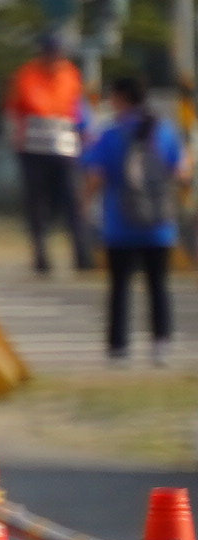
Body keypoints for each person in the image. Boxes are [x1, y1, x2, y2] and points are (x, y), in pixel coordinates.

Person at [85, 75, 182, 364]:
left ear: (120, 98)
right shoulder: (164, 131)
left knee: (119, 286)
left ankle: (119, 347)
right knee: (158, 285)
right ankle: (161, 343)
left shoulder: (111, 134)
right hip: (159, 225)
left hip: (120, 224)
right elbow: (181, 171)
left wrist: (85, 203)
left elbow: (96, 175)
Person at [11, 30, 88, 276]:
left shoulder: (71, 74)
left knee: (71, 202)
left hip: (64, 150)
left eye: (57, 53)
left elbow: (76, 109)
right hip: (34, 151)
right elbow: (21, 107)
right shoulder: (27, 75)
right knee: (37, 205)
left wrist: (83, 135)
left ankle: (81, 254)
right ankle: (41, 255)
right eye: (50, 53)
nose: (54, 58)